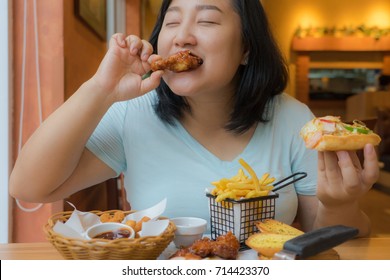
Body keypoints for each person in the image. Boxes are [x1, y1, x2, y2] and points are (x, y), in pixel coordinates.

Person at [9, 0, 379, 236]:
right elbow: (28, 187)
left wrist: (341, 204)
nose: (182, 37)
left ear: (246, 48)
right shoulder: (134, 114)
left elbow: (330, 240)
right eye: (171, 23)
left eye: (207, 21)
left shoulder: (293, 119)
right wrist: (100, 89)